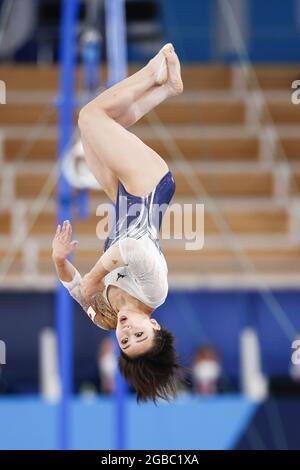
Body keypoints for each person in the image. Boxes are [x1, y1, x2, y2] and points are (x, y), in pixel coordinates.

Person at [52, 44, 183, 402]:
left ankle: (167, 87)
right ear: (154, 324)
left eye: (125, 343)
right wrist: (95, 276)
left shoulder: (104, 318)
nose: (127, 332)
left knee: (97, 129)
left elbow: (75, 290)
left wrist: (60, 261)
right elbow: (130, 248)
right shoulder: (155, 291)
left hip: (121, 199)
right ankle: (153, 74)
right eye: (140, 335)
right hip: (149, 188)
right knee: (91, 118)